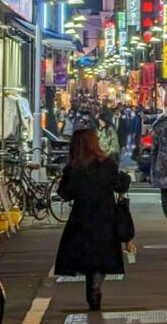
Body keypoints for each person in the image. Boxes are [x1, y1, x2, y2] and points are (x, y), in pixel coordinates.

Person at [54, 129, 131, 311]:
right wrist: (125, 178)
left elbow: (65, 193)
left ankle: (92, 288)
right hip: (106, 216)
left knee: (86, 256)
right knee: (103, 257)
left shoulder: (74, 167)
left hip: (81, 217)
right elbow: (119, 185)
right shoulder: (107, 164)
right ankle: (95, 286)